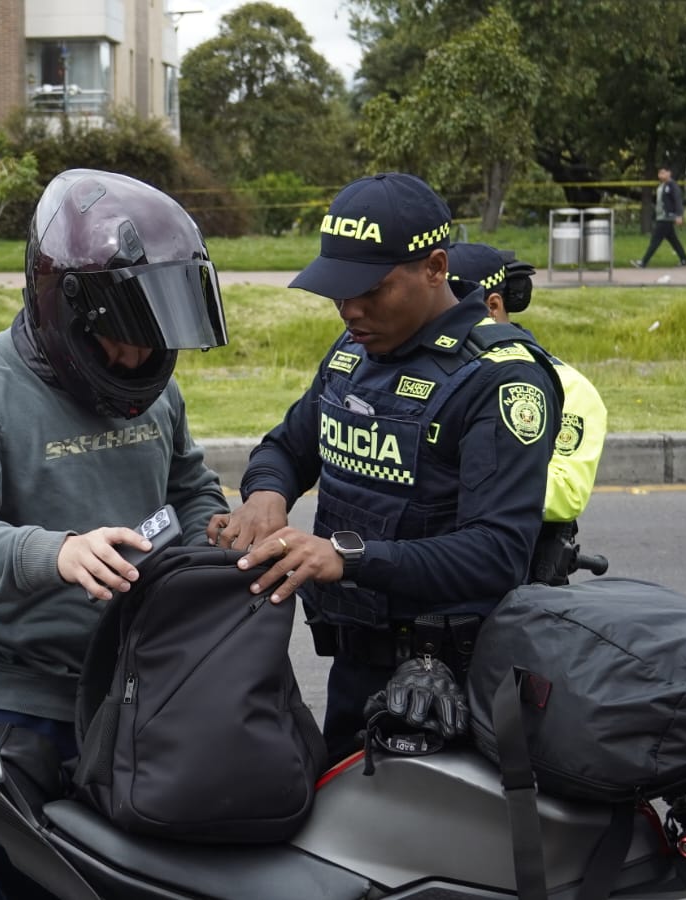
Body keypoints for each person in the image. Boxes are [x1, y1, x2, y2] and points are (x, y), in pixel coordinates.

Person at [0, 168, 231, 900]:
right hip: (18, 700)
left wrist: (216, 532)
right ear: (67, 308)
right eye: (122, 338)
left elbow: (189, 486)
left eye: (154, 338)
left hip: (138, 685)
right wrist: (55, 553)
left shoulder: (155, 389)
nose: (139, 358)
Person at [208, 173, 561, 764]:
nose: (350, 310)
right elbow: (287, 447)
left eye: (371, 290)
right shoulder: (353, 351)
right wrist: (267, 494)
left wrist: (348, 556)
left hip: (450, 688)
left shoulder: (502, 379)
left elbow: (497, 553)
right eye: (338, 293)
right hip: (355, 667)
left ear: (435, 268)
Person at [446, 242, 608, 585]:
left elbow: (567, 491)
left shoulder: (565, 385)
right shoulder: (430, 370)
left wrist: (459, 478)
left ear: (493, 307)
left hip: (516, 581)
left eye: (450, 308)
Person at [632, 165, 686, 268]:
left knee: (655, 240)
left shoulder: (672, 186)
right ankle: (684, 260)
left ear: (669, 173)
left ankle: (643, 262)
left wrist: (679, 215)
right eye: (659, 173)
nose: (660, 175)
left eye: (663, 173)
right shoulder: (662, 186)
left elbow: (677, 200)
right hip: (661, 217)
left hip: (666, 217)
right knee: (674, 241)